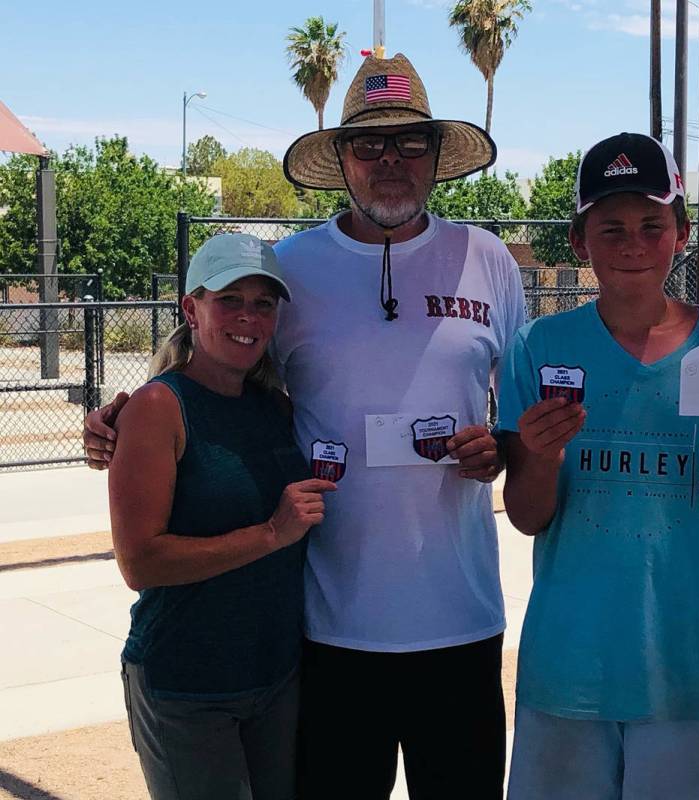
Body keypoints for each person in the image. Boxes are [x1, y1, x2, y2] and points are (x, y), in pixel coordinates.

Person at [86, 53, 525, 800]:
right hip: (326, 628)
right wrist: (129, 416)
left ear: (437, 156)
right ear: (342, 161)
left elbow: (514, 413)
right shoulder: (290, 269)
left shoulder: (486, 259)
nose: (390, 161)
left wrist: (499, 448)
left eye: (411, 142)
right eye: (368, 145)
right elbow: (223, 378)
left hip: (461, 616)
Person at [498, 133, 699, 800]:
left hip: (696, 670)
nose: (631, 245)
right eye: (609, 228)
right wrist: (543, 457)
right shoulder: (539, 346)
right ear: (579, 242)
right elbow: (526, 516)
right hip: (569, 668)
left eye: (650, 225)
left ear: (681, 233)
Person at [109, 233, 335, 800]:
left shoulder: (274, 405)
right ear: (191, 309)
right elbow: (140, 562)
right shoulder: (160, 407)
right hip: (187, 684)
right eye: (229, 299)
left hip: (275, 677)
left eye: (264, 303)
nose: (248, 317)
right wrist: (269, 534)